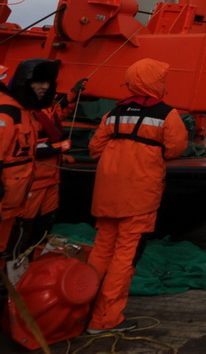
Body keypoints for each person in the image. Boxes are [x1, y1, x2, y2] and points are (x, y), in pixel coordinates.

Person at [85, 58, 188, 335]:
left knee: (100, 252)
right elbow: (175, 148)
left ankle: (80, 309)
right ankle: (105, 319)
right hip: (140, 197)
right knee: (125, 258)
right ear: (155, 83)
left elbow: (95, 149)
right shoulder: (167, 114)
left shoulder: (113, 113)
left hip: (106, 196)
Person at [12, 75, 88, 255]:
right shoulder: (22, 113)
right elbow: (28, 147)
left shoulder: (45, 107)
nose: (44, 87)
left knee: (46, 220)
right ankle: (16, 258)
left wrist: (72, 94)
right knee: (24, 222)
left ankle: (35, 255)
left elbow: (57, 113)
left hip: (51, 178)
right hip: (34, 179)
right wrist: (59, 148)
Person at [0, 59, 60, 266]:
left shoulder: (27, 114)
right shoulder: (8, 114)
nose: (44, 86)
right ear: (24, 82)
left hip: (13, 204)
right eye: (38, 82)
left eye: (48, 82)